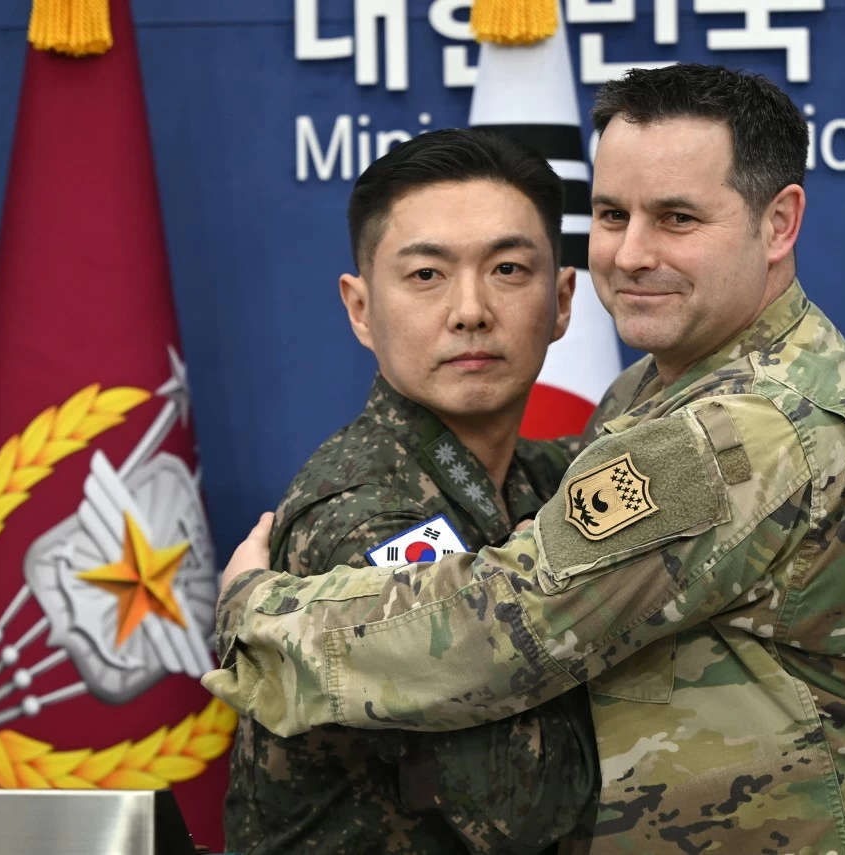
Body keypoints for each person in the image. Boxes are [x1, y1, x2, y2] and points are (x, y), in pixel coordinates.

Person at [207, 64, 845, 854]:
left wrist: (259, 612)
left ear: (778, 223)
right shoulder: (662, 391)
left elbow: (508, 619)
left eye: (676, 218)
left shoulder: (740, 428)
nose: (632, 253)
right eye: (611, 214)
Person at [221, 128, 599, 855]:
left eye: (508, 269)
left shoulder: (542, 478)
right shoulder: (364, 512)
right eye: (427, 274)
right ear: (361, 308)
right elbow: (524, 801)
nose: (470, 310)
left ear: (561, 301)